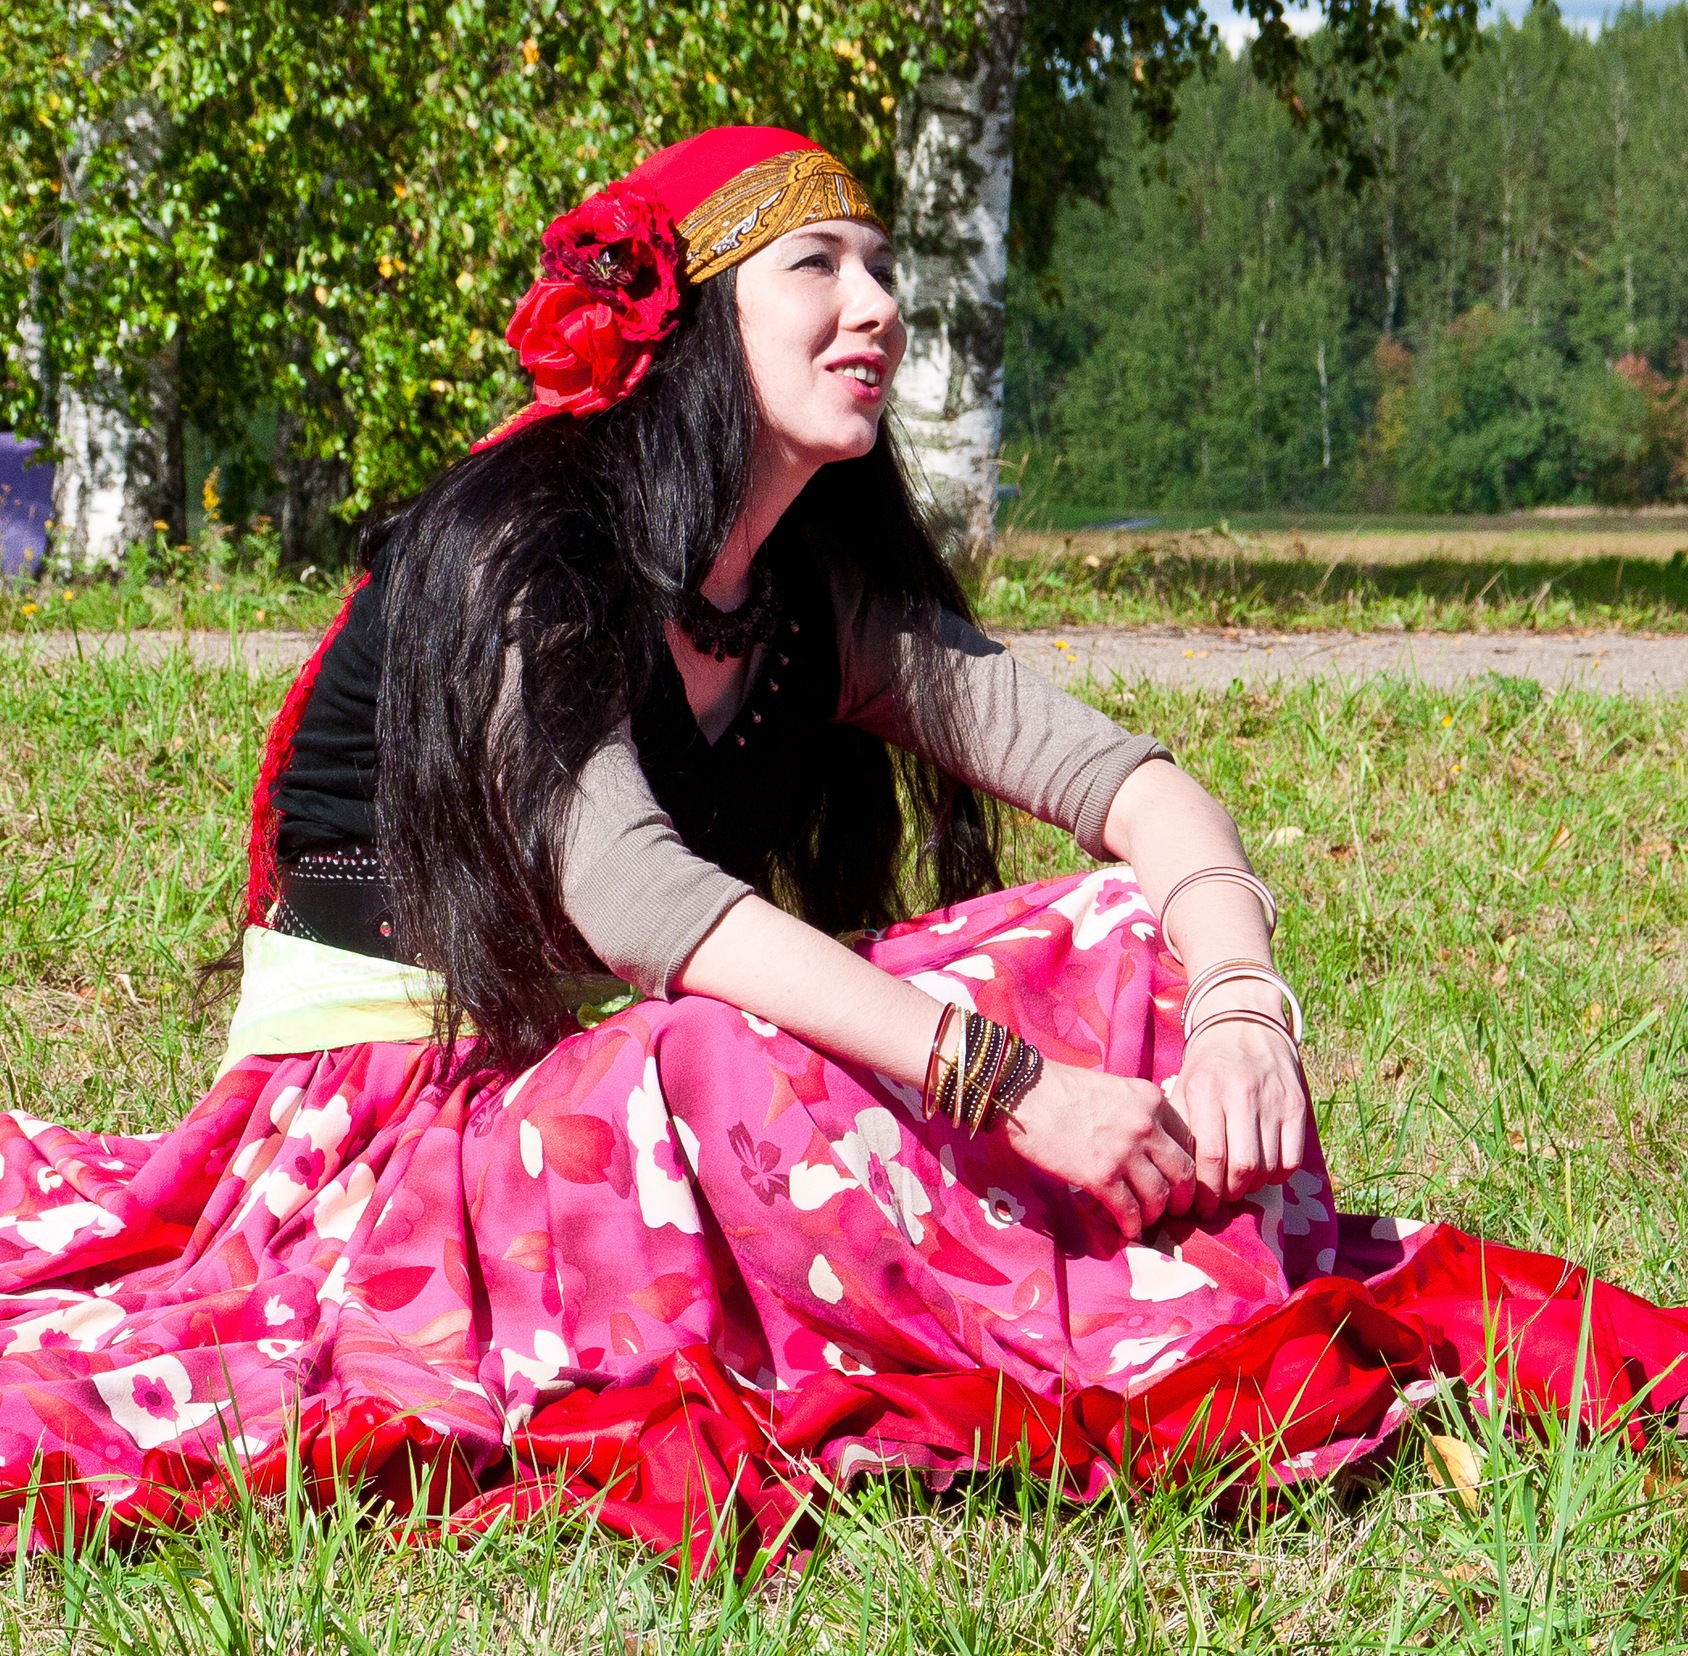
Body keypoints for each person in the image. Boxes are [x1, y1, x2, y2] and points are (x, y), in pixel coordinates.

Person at [0, 127, 1682, 1560]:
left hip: (592, 1071)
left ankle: (1183, 1306)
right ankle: (1115, 1318)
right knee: (727, 1052)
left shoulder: (806, 594)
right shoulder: (518, 550)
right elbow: (636, 897)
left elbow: (1133, 787)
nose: (876, 304)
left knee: (1117, 928)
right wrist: (1016, 1087)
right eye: (817, 266)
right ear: (689, 322)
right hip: (392, 1122)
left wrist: (1243, 1002)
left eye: (883, 267)